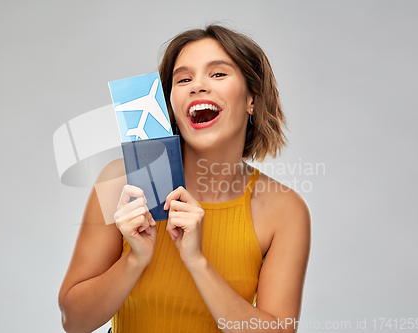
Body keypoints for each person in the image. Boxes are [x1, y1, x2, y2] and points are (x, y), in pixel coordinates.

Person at [58, 25, 311, 333]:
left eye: (218, 74)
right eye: (184, 79)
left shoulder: (284, 210)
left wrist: (196, 261)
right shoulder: (121, 180)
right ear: (171, 106)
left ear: (252, 100)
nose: (198, 86)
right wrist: (135, 259)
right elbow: (74, 322)